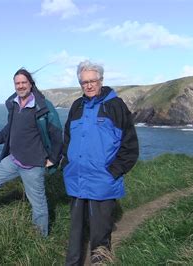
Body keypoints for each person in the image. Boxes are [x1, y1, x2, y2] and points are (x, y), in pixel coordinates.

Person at [62, 60, 139, 265]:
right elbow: (67, 138)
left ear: (101, 80)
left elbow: (130, 146)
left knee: (100, 235)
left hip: (103, 181)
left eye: (93, 81)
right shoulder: (77, 106)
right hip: (76, 180)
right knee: (75, 234)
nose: (88, 85)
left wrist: (114, 171)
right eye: (84, 82)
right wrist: (66, 164)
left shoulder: (115, 106)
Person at [0, 68, 63, 237]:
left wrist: (53, 159)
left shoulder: (42, 106)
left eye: (23, 82)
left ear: (30, 84)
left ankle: (41, 239)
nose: (20, 86)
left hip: (34, 164)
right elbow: (10, 131)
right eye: (17, 83)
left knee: (38, 204)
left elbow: (57, 134)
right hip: (13, 159)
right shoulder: (14, 104)